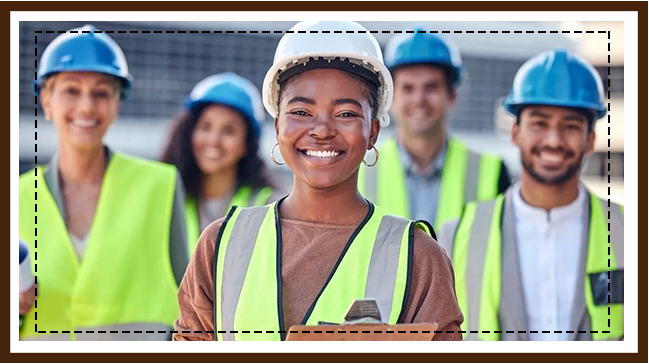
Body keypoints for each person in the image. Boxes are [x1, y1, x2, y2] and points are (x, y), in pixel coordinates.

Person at [172, 21, 463, 342]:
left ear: (373, 132)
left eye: (346, 114)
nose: (322, 129)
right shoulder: (220, 246)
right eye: (300, 111)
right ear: (278, 124)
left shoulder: (419, 258)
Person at [438, 49, 623, 352]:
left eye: (571, 126)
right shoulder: (456, 236)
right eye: (539, 123)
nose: (553, 140)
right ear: (515, 132)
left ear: (591, 139)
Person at [18, 24, 189, 352]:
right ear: (47, 101)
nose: (86, 106)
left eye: (101, 92)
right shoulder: (16, 198)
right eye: (71, 90)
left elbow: (193, 310)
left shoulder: (160, 186)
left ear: (116, 104)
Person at [358, 28, 511, 231]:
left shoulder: (494, 174)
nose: (419, 100)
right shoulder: (357, 172)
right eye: (408, 88)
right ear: (389, 99)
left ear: (452, 96)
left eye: (431, 87)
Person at [161, 73, 285, 254]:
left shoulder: (270, 207)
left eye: (229, 131)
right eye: (205, 127)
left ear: (246, 144)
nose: (213, 141)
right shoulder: (166, 198)